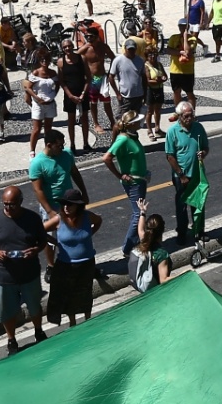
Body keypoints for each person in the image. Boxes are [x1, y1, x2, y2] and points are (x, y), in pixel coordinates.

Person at [0, 185, 49, 352]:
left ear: (20, 202)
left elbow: (42, 242)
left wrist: (35, 250)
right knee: (6, 311)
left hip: (29, 274)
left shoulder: (32, 218)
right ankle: (11, 339)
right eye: (5, 204)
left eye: (12, 204)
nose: (8, 208)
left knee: (34, 306)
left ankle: (38, 331)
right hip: (4, 276)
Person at [45, 192, 103, 325]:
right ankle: (72, 323)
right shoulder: (59, 219)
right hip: (66, 265)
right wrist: (55, 242)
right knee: (69, 296)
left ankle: (88, 320)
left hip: (87, 263)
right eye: (64, 204)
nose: (66, 207)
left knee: (85, 293)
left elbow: (99, 221)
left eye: (70, 204)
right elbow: (41, 230)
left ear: (78, 206)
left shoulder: (88, 217)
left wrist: (90, 234)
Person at [103, 112, 150, 260]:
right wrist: (120, 175)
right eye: (137, 121)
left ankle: (134, 242)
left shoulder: (132, 136)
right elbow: (107, 158)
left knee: (138, 213)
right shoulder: (123, 139)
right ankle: (127, 247)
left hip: (140, 181)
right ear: (130, 124)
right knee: (138, 214)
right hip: (134, 183)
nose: (139, 123)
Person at [164, 99, 211, 243]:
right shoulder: (172, 132)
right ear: (179, 116)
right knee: (182, 206)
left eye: (191, 115)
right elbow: (170, 156)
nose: (189, 118)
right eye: (186, 116)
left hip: (197, 173)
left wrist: (203, 153)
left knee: (198, 204)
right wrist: (181, 174)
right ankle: (182, 232)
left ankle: (199, 231)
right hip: (182, 176)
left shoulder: (198, 128)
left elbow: (205, 147)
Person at [127, 213, 173, 292]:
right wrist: (184, 274)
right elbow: (163, 280)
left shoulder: (144, 241)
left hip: (144, 285)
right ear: (163, 229)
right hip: (157, 291)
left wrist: (142, 213)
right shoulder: (161, 254)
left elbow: (140, 230)